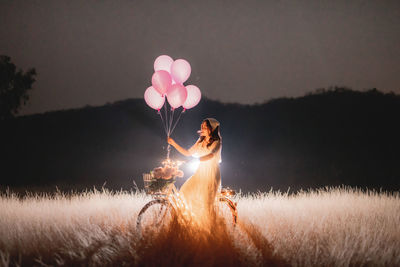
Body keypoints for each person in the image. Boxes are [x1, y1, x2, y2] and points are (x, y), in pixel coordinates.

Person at [167, 118, 222, 228]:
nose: (202, 129)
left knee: (207, 202)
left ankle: (210, 227)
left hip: (211, 173)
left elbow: (212, 154)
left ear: (212, 129)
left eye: (205, 127)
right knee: (185, 191)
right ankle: (190, 221)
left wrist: (200, 159)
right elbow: (188, 153)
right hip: (200, 171)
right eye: (202, 127)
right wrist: (173, 143)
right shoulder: (200, 141)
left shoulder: (217, 142)